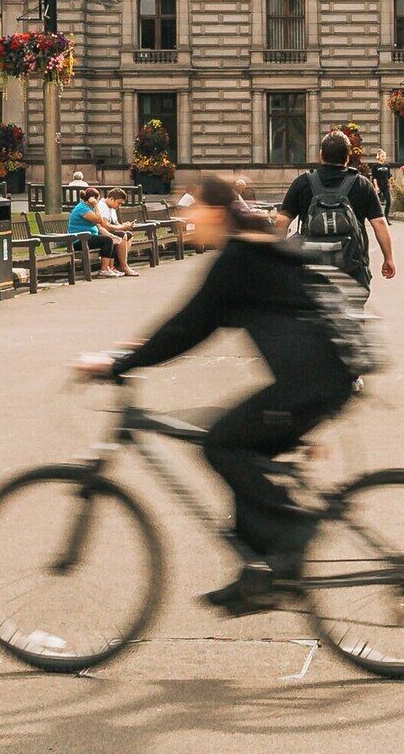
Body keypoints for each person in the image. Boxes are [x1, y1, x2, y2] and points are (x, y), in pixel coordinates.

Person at [78, 175, 362, 615]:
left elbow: (188, 326)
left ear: (213, 212)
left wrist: (117, 365)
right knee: (235, 442)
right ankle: (257, 575)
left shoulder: (237, 259)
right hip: (320, 377)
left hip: (313, 383)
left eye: (189, 209)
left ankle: (291, 537)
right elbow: (194, 324)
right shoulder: (248, 247)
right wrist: (135, 352)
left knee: (222, 442)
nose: (184, 218)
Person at [278, 130, 395, 301]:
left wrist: (278, 258)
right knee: (353, 312)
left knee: (311, 312)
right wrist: (388, 258)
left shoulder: (303, 182)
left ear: (321, 155)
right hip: (352, 268)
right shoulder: (362, 184)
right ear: (347, 157)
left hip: (312, 268)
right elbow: (379, 223)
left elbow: (282, 221)